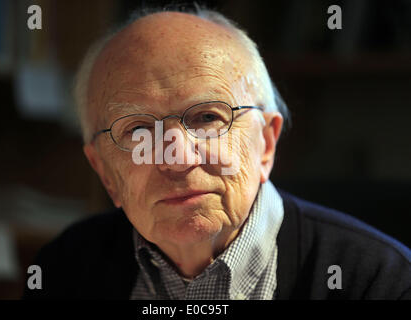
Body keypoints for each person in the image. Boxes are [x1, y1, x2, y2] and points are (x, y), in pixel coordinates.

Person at [23, 6, 411, 300]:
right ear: (106, 173)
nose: (178, 158)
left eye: (208, 117)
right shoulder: (65, 270)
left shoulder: (379, 282)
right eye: (138, 130)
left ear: (267, 143)